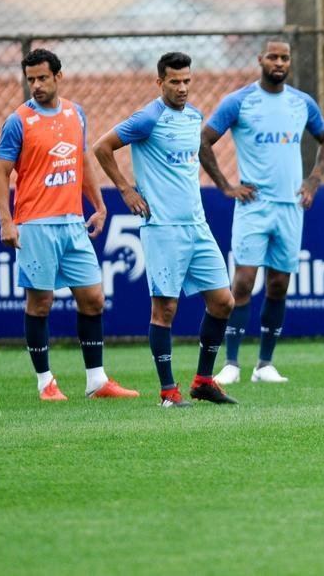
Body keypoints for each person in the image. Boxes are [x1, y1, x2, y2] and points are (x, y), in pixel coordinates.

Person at [92, 52, 237, 408]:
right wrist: (126, 189)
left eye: (187, 80)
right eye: (174, 81)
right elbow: (101, 147)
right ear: (160, 83)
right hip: (163, 228)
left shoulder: (194, 117)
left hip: (197, 224)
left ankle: (203, 381)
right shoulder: (147, 118)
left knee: (223, 302)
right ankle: (168, 393)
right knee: (165, 310)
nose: (182, 87)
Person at [0, 49, 139, 401]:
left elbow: (83, 160)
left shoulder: (76, 114)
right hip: (36, 223)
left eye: (43, 78)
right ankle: (45, 383)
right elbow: (0, 173)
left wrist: (100, 204)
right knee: (40, 302)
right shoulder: (19, 121)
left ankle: (97, 381)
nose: (36, 86)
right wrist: (6, 221)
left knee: (93, 298)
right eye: (31, 80)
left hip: (73, 222)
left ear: (59, 76)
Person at [198, 39, 324, 385]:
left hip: (290, 206)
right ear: (260, 60)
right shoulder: (240, 101)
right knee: (243, 282)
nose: (279, 62)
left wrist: (313, 180)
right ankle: (231, 362)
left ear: (290, 62)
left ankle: (265, 364)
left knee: (278, 284)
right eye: (272, 56)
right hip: (253, 206)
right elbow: (203, 141)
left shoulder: (302, 103)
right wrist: (226, 186)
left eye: (284, 57)